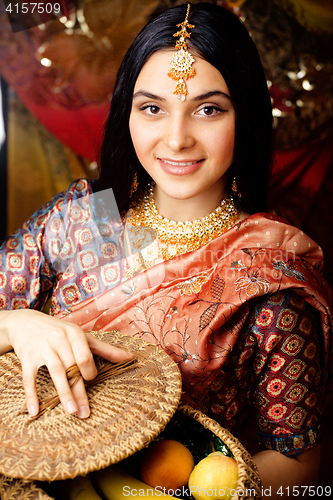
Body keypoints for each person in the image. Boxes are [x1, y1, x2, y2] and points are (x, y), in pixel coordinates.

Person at [0, 2, 332, 496]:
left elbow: (300, 465)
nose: (176, 139)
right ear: (126, 112)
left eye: (209, 109)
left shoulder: (268, 279)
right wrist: (15, 322)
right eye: (153, 108)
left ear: (245, 116)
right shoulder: (84, 219)